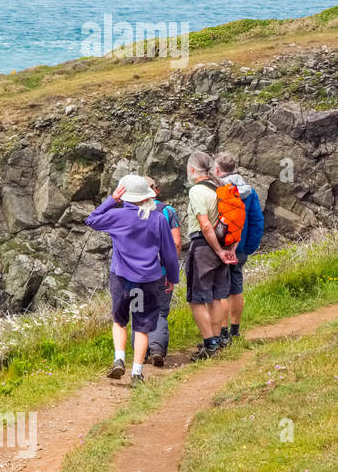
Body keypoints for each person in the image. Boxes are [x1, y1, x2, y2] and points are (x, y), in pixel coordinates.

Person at [86, 173, 180, 383]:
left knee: (120, 321)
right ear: (147, 195)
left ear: (125, 195)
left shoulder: (117, 216)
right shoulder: (158, 219)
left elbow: (91, 220)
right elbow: (169, 253)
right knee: (142, 324)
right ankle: (137, 372)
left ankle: (119, 359)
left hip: (121, 278)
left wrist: (112, 200)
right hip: (149, 280)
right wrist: (172, 277)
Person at [184, 151, 238, 359]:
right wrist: (228, 251)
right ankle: (216, 340)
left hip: (205, 247)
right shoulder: (221, 188)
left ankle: (210, 344)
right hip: (224, 245)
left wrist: (217, 251)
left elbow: (205, 225)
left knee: (196, 299)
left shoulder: (197, 191)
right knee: (216, 296)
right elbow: (233, 222)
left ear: (192, 169)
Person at [213, 152, 265, 341]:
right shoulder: (250, 192)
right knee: (236, 288)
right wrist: (247, 247)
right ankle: (235, 331)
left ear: (217, 169)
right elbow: (257, 222)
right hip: (240, 249)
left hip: (220, 248)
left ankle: (223, 333)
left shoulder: (217, 189)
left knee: (221, 291)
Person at [135, 177, 181, 367]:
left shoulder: (131, 212)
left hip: (136, 272)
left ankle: (141, 353)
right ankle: (157, 350)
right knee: (160, 311)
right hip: (160, 271)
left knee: (138, 311)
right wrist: (172, 270)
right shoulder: (168, 211)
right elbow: (176, 243)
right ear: (155, 191)